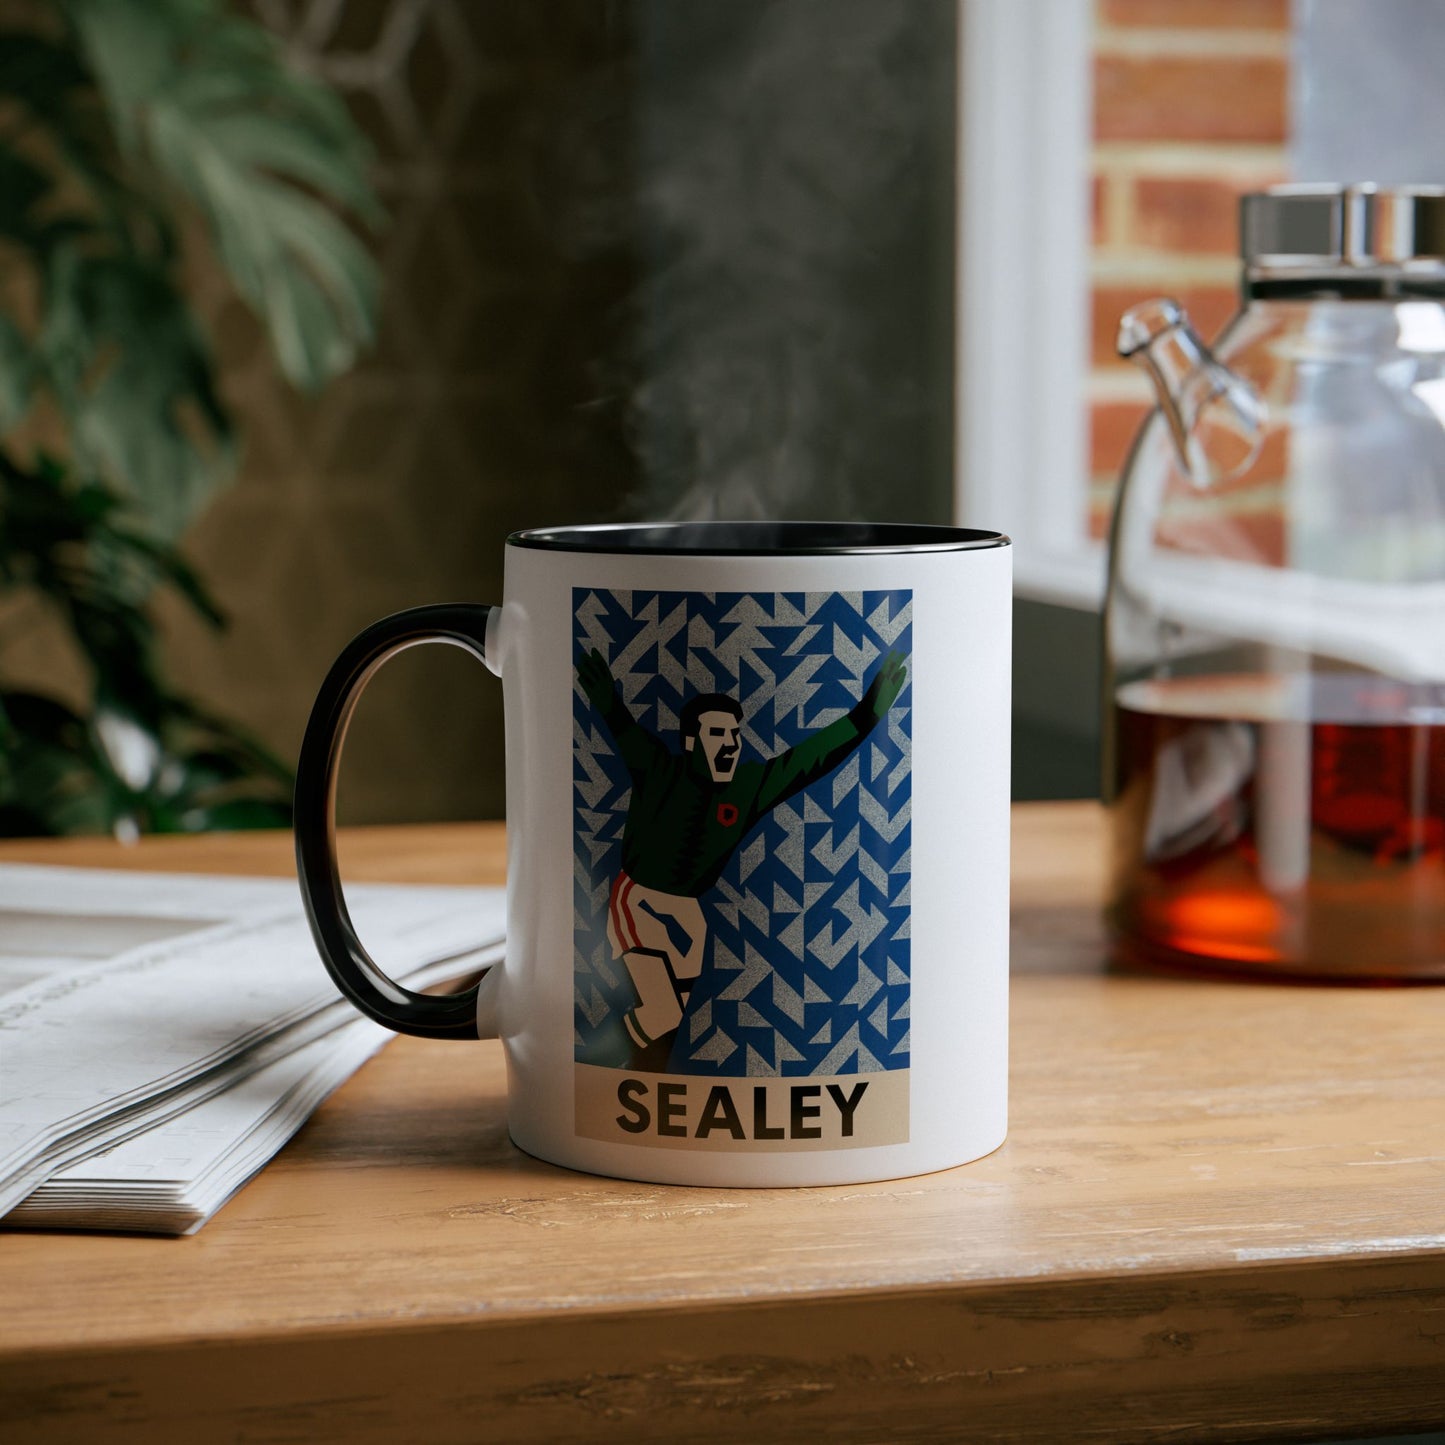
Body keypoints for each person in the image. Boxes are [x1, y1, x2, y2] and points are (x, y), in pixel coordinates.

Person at [576, 645, 907, 1070]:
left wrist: (865, 717)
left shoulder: (748, 787)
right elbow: (621, 725)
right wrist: (605, 699)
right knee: (663, 1013)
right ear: (691, 742)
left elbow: (809, 759)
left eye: (734, 735)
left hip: (689, 918)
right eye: (717, 734)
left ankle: (643, 1080)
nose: (730, 745)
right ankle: (597, 1071)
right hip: (639, 904)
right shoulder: (657, 767)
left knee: (669, 1025)